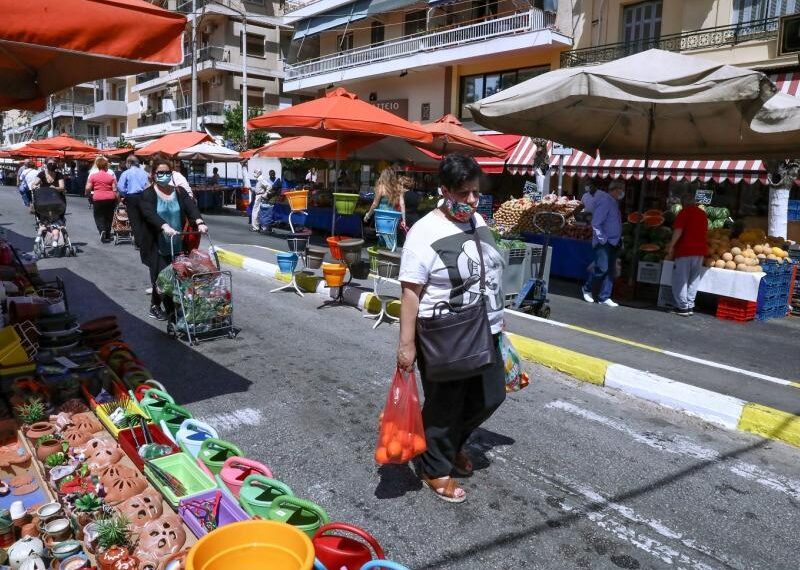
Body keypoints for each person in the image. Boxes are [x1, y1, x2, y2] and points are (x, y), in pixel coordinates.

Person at [397, 154, 506, 504]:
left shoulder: (477, 220)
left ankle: (451, 444)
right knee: (445, 407)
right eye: (463, 194)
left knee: (490, 397)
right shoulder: (423, 232)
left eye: (476, 192)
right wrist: (406, 344)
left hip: (485, 328)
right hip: (445, 332)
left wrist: (500, 320)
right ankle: (434, 468)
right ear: (443, 191)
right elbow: (410, 292)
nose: (471, 201)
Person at [140, 158, 207, 321]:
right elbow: (149, 213)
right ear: (153, 174)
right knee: (162, 278)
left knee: (176, 276)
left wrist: (199, 222)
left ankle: (159, 307)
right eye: (160, 173)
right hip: (156, 243)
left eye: (167, 172)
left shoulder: (179, 191)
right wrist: (163, 226)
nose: (164, 175)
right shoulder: (148, 194)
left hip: (177, 241)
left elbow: (191, 207)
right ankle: (170, 312)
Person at [582, 179, 624, 307]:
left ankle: (604, 297)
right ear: (615, 189)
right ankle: (587, 288)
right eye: (621, 189)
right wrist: (603, 239)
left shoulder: (614, 202)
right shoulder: (606, 201)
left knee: (610, 270)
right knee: (602, 268)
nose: (622, 192)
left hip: (614, 242)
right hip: (605, 242)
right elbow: (596, 222)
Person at [667, 192, 708, 316]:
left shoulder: (684, 213)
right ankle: (690, 305)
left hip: (685, 250)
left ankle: (682, 307)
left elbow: (678, 231)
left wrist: (671, 246)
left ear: (683, 203)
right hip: (700, 251)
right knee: (693, 279)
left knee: (681, 279)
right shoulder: (702, 214)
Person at [117, 156, 150, 250]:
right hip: (144, 197)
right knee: (144, 219)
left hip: (131, 198)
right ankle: (145, 241)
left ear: (129, 163)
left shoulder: (126, 173)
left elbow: (120, 187)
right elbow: (149, 185)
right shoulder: (145, 173)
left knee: (135, 220)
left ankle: (139, 243)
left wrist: (125, 194)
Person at [85, 156, 119, 243]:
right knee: (109, 216)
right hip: (110, 198)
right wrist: (118, 200)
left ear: (97, 165)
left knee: (98, 215)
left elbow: (88, 188)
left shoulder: (93, 176)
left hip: (98, 198)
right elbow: (115, 190)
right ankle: (107, 234)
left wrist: (87, 194)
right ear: (106, 166)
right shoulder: (111, 177)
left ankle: (102, 230)